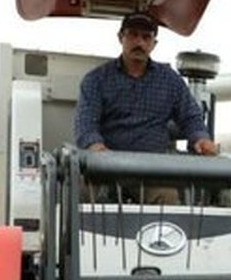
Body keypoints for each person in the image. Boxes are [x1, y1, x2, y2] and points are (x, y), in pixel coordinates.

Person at [74, 12, 217, 203]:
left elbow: (191, 116)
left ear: (154, 44)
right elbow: (85, 125)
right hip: (104, 168)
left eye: (146, 37)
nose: (139, 42)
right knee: (79, 191)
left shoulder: (170, 80)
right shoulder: (96, 79)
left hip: (150, 170)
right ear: (120, 38)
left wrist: (201, 138)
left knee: (168, 197)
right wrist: (97, 149)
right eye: (133, 35)